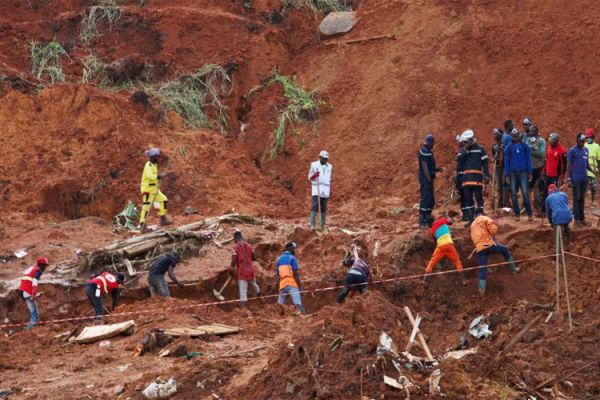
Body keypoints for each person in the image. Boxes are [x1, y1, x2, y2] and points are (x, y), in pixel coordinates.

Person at [470, 215, 519, 295]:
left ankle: (482, 289)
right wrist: (495, 223)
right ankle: (514, 269)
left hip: (479, 248)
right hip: (489, 244)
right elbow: (493, 231)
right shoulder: (485, 218)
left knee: (483, 268)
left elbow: (473, 238)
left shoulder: (472, 225)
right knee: (505, 250)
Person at [457, 130, 490, 227]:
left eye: (467, 142)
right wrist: (465, 150)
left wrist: (486, 174)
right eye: (465, 142)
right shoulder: (463, 151)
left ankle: (480, 215)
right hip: (466, 179)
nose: (466, 143)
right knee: (468, 199)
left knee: (479, 197)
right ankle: (471, 218)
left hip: (476, 179)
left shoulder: (480, 149)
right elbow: (459, 163)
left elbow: (485, 163)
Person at [424, 214, 464, 283]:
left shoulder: (432, 231)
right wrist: (447, 216)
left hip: (440, 247)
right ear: (434, 219)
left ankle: (425, 278)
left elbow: (435, 241)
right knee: (457, 261)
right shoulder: (442, 221)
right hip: (449, 245)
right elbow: (451, 222)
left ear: (429, 224)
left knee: (432, 262)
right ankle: (463, 280)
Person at [139, 148, 171, 233]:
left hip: (154, 189)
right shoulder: (148, 165)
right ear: (152, 157)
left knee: (163, 200)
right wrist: (159, 176)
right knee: (146, 207)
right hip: (148, 190)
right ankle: (142, 225)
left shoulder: (154, 165)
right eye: (157, 157)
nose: (158, 159)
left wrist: (159, 177)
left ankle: (162, 218)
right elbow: (150, 176)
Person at [505, 128, 533, 221]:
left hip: (523, 172)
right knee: (513, 193)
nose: (515, 138)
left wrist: (529, 171)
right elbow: (506, 161)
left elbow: (528, 159)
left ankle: (529, 214)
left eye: (516, 136)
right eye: (513, 136)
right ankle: (517, 214)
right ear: (511, 137)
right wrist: (506, 174)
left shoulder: (524, 146)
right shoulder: (509, 147)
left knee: (525, 193)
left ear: (519, 136)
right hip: (512, 173)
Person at [418, 134, 444, 227]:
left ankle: (428, 218)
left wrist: (437, 169)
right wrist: (428, 178)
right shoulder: (424, 151)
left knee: (431, 200)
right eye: (433, 143)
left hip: (429, 178)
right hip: (425, 179)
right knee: (425, 198)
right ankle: (422, 220)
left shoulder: (428, 151)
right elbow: (424, 166)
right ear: (430, 142)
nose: (433, 144)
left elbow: (429, 167)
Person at [275, 242, 307, 315]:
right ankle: (302, 316)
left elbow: (277, 274)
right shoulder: (292, 258)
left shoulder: (279, 259)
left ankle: (279, 317)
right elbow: (295, 273)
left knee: (280, 304)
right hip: (291, 283)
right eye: (293, 249)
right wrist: (299, 285)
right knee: (297, 302)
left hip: (282, 284)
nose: (294, 250)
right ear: (290, 248)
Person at [230, 231, 261, 308]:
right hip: (250, 271)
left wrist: (231, 269)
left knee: (243, 291)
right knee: (255, 285)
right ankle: (261, 298)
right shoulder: (249, 246)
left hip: (242, 272)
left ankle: (243, 309)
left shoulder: (235, 247)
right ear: (242, 237)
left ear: (235, 239)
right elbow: (254, 258)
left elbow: (233, 260)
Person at [18, 257, 49, 330]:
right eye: (44, 265)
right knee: (34, 315)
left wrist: (35, 294)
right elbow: (34, 283)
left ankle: (30, 327)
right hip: (26, 292)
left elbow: (28, 281)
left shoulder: (32, 268)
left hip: (22, 290)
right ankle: (28, 329)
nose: (45, 267)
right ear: (40, 265)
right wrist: (33, 295)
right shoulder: (38, 271)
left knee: (33, 309)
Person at [567, 133, 590, 226]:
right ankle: (577, 219)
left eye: (583, 141)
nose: (582, 143)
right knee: (577, 198)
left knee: (582, 198)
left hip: (584, 178)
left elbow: (587, 164)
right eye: (581, 141)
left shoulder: (586, 150)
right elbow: (568, 165)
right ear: (577, 140)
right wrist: (569, 178)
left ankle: (582, 218)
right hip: (575, 178)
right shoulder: (572, 151)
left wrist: (593, 172)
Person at [542, 133, 567, 212]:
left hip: (555, 175)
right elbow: (547, 160)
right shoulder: (549, 147)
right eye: (550, 140)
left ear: (556, 141)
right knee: (545, 192)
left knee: (554, 194)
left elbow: (564, 165)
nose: (550, 142)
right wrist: (544, 171)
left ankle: (553, 210)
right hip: (548, 174)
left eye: (552, 140)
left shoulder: (561, 151)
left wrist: (562, 177)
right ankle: (543, 210)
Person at [308, 150, 333, 230]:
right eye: (324, 158)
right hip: (316, 189)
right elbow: (309, 177)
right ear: (320, 157)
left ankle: (322, 225)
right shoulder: (314, 165)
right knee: (315, 206)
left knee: (323, 207)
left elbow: (329, 178)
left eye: (326, 159)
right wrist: (314, 175)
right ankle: (312, 225)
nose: (325, 160)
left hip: (325, 190)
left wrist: (330, 188)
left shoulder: (330, 166)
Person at [524, 125, 546, 215]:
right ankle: (526, 207)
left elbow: (541, 154)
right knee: (528, 187)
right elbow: (525, 150)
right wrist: (533, 149)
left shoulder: (541, 141)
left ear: (536, 132)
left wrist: (531, 150)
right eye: (529, 131)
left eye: (531, 131)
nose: (529, 133)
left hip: (538, 167)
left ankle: (538, 208)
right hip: (529, 167)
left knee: (537, 188)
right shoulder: (528, 140)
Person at [491, 128, 510, 210]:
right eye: (494, 134)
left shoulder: (505, 144)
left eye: (496, 134)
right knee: (499, 186)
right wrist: (495, 155)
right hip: (498, 167)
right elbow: (493, 157)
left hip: (505, 166)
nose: (494, 135)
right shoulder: (494, 146)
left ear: (500, 135)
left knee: (505, 184)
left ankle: (507, 203)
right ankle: (500, 202)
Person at [584, 128, 600, 204]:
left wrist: (598, 169)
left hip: (593, 170)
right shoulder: (584, 146)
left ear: (593, 137)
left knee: (593, 187)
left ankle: (593, 201)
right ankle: (585, 201)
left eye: (589, 137)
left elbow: (598, 159)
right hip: (584, 170)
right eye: (587, 138)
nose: (588, 139)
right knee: (584, 186)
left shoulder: (597, 146)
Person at [455, 135, 468, 221]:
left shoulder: (465, 151)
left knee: (466, 195)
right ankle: (464, 214)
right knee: (462, 195)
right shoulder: (460, 151)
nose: (458, 143)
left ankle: (468, 214)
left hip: (464, 175)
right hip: (459, 175)